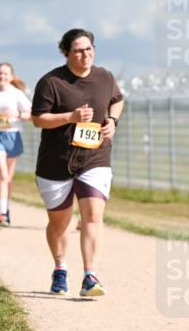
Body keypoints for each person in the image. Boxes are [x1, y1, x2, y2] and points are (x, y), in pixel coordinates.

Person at [31, 29, 124, 297]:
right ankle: (60, 268)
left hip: (95, 157)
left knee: (93, 215)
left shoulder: (104, 77)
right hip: (56, 161)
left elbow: (117, 100)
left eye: (89, 49)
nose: (86, 55)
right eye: (79, 51)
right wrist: (70, 117)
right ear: (66, 53)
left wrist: (113, 121)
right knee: (59, 223)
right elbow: (38, 119)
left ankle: (89, 276)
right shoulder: (51, 82)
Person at [0, 63, 32, 227]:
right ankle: (2, 213)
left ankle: (6, 208)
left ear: (11, 76)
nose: (1, 76)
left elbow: (31, 114)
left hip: (13, 135)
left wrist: (16, 114)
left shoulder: (17, 94)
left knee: (8, 178)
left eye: (5, 74)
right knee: (3, 174)